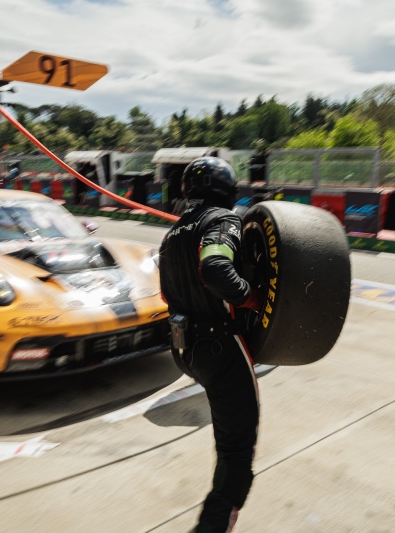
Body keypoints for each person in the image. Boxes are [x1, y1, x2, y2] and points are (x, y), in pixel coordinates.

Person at [158, 157, 262, 532]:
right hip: (220, 348)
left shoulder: (172, 234)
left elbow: (166, 292)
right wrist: (251, 297)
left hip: (185, 351)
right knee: (237, 453)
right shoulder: (222, 219)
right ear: (227, 191)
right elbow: (216, 268)